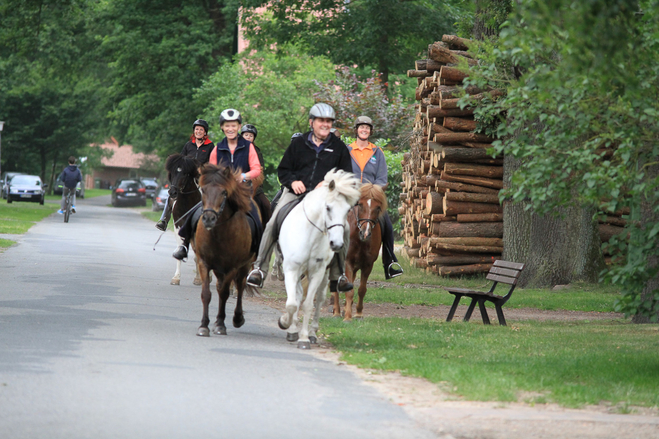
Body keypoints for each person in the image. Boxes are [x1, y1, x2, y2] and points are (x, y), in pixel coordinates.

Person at [246, 103, 355, 293]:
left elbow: (347, 176)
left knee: (344, 227)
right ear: (312, 122)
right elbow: (284, 170)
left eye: (329, 121)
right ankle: (259, 269)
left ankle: (338, 275)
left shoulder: (339, 148)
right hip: (295, 192)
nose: (325, 124)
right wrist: (293, 181)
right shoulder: (298, 144)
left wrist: (331, 182)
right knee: (273, 222)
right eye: (321, 120)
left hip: (325, 195)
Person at [172, 109, 262, 261]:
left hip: (241, 191)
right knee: (197, 210)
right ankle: (185, 244)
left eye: (233, 125)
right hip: (220, 192)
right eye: (227, 126)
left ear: (239, 127)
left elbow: (256, 169)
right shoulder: (217, 148)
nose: (230, 129)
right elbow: (211, 171)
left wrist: (243, 176)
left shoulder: (248, 147)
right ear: (222, 127)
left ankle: (259, 254)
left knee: (255, 217)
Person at [348, 116, 403, 279]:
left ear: (370, 131)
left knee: (385, 222)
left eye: (367, 127)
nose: (364, 130)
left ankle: (390, 262)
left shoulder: (377, 152)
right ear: (356, 130)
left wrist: (372, 189)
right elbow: (341, 172)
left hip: (370, 196)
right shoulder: (347, 150)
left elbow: (382, 178)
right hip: (350, 194)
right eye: (361, 127)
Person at [155, 119, 214, 232]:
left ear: (205, 132)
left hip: (201, 176)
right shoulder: (188, 145)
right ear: (194, 131)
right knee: (173, 193)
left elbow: (211, 162)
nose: (199, 131)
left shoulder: (210, 146)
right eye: (197, 129)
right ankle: (164, 220)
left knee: (208, 194)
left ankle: (209, 220)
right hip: (187, 177)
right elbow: (181, 160)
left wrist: (203, 169)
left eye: (201, 129)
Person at [240, 123, 271, 225]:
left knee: (266, 205)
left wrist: (253, 181)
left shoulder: (257, 151)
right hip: (237, 183)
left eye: (251, 136)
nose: (248, 137)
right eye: (246, 135)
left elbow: (260, 169)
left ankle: (267, 231)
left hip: (254, 185)